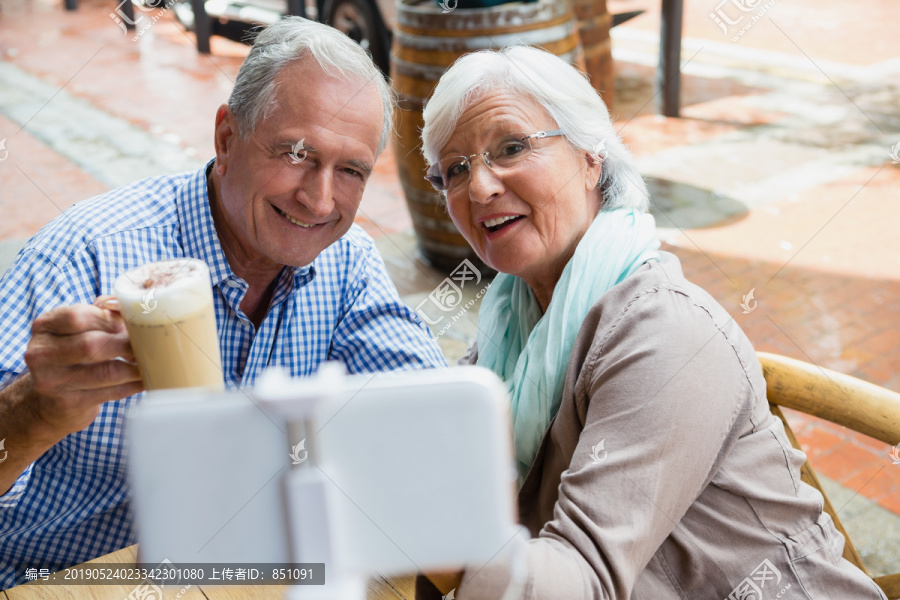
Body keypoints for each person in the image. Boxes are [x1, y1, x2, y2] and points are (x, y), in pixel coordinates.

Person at [416, 46, 886, 600]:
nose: (479, 188)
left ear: (592, 156)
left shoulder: (663, 332)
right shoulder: (512, 320)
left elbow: (584, 578)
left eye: (512, 147)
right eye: (454, 169)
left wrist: (419, 532)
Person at [0, 17, 446, 589]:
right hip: (60, 579)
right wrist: (36, 408)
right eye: (296, 154)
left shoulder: (346, 261)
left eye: (352, 171)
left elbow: (427, 416)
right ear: (226, 138)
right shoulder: (82, 257)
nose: (319, 198)